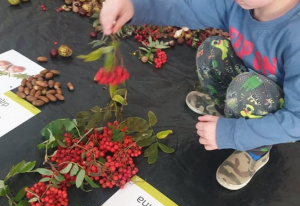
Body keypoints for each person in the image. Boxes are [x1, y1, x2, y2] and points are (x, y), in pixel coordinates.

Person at [100, 0, 300, 190]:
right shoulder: (239, 5)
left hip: (279, 108)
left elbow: (297, 120)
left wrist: (230, 133)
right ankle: (227, 108)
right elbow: (185, 6)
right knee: (212, 50)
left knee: (246, 89)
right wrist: (134, 6)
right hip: (248, 83)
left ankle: (256, 149)